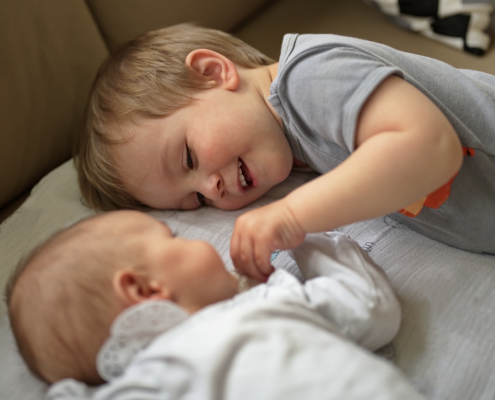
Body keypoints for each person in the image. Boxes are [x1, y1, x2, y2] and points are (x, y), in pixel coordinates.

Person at [76, 24, 494, 282]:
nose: (213, 187)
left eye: (188, 158)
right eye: (197, 199)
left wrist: (292, 215)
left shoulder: (308, 77)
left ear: (212, 72)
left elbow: (429, 148)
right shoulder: (290, 146)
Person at [7, 210, 424, 399]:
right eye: (173, 240)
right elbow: (370, 306)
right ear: (144, 291)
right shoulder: (268, 304)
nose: (197, 241)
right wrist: (303, 238)